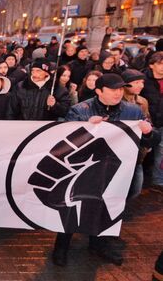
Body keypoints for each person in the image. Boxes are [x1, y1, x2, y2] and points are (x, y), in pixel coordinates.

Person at [51, 74, 159, 267]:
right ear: (99, 91)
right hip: (84, 171)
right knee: (73, 207)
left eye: (120, 89)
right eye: (113, 89)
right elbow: (65, 140)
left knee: (107, 208)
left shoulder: (134, 111)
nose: (118, 93)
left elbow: (153, 139)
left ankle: (98, 243)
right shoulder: (80, 109)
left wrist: (148, 132)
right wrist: (84, 127)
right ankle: (61, 247)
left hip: (119, 171)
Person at [121, 69, 152, 199]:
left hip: (138, 152)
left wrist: (148, 140)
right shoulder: (117, 101)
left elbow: (148, 120)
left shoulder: (143, 102)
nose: (141, 85)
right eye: (136, 82)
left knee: (135, 190)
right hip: (121, 151)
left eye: (142, 82)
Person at [141, 52, 163, 192]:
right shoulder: (143, 79)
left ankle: (158, 181)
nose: (162, 67)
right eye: (160, 64)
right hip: (148, 123)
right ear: (151, 65)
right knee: (145, 153)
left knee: (161, 152)